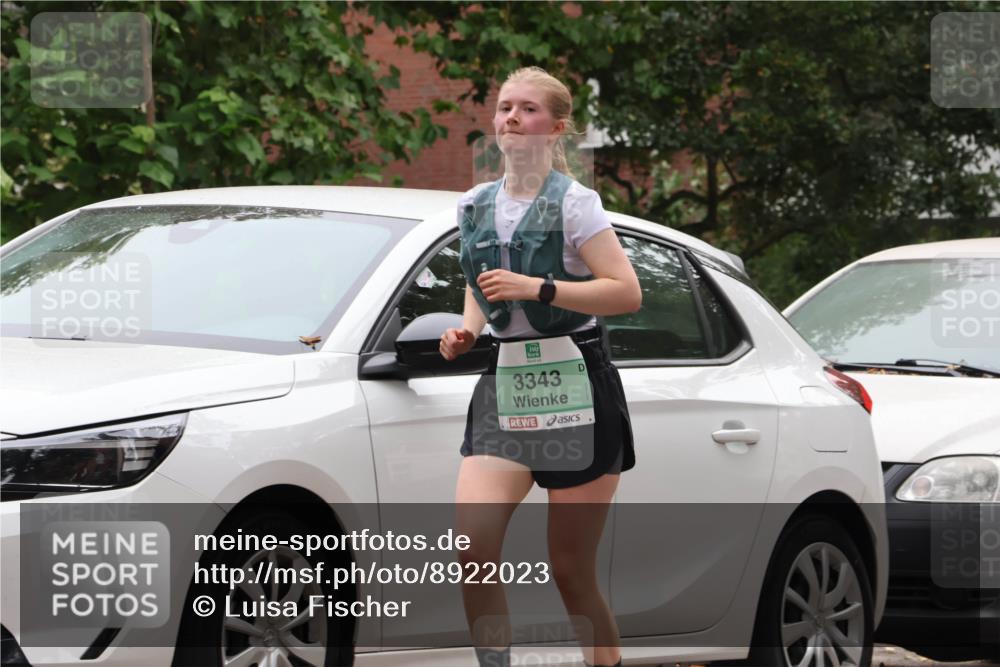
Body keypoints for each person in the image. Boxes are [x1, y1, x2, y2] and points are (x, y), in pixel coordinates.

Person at [439, 66, 641, 667]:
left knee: (571, 572)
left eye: (527, 109)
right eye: (504, 107)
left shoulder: (578, 205)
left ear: (555, 128)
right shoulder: (473, 204)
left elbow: (626, 293)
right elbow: (480, 287)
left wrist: (541, 287)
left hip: (576, 381)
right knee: (472, 548)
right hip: (505, 382)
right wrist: (466, 329)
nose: (510, 118)